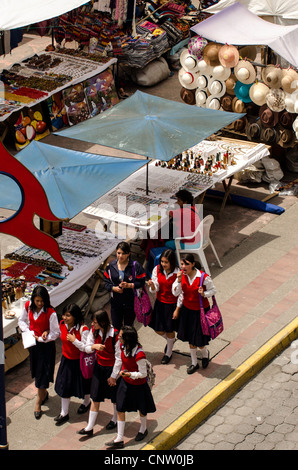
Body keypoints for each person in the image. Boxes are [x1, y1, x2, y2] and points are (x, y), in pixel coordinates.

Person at [105, 325, 156, 449]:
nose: (118, 338)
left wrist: (129, 374)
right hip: (125, 383)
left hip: (138, 386)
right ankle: (119, 438)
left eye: (121, 337)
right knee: (120, 407)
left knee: (141, 408)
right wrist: (115, 376)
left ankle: (143, 429)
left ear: (128, 339)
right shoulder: (122, 347)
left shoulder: (139, 354)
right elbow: (120, 361)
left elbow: (143, 374)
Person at [77, 310, 121, 437]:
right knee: (95, 397)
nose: (93, 324)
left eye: (95, 322)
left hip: (111, 369)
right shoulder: (94, 331)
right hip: (98, 367)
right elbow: (86, 347)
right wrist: (94, 347)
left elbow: (119, 358)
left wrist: (113, 376)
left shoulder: (115, 335)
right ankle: (89, 427)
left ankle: (115, 419)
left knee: (114, 398)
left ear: (102, 322)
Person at [18, 285, 59, 419]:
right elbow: (22, 321)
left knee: (42, 373)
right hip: (33, 345)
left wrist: (43, 337)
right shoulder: (28, 306)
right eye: (37, 301)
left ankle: (38, 402)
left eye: (42, 301)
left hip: (45, 347)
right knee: (37, 371)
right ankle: (44, 393)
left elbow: (55, 332)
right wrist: (29, 332)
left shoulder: (50, 313)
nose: (40, 304)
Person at [172, 253, 216, 374]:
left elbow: (213, 290)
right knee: (191, 340)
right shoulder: (181, 277)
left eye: (186, 264)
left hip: (200, 313)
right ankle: (194, 363)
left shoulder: (203, 277)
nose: (183, 266)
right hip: (187, 312)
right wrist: (178, 281)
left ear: (192, 264)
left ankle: (205, 354)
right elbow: (177, 294)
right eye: (182, 264)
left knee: (199, 341)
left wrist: (204, 294)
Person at [54, 303, 91, 425]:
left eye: (68, 315)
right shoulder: (62, 325)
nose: (65, 318)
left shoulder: (83, 329)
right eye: (64, 315)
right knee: (64, 385)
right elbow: (57, 334)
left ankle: (86, 402)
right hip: (66, 360)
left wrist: (75, 341)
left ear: (75, 317)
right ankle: (64, 413)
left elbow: (86, 348)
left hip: (79, 361)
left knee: (84, 384)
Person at [104, 241, 146, 330]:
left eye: (124, 253)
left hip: (131, 302)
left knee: (128, 327)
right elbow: (106, 283)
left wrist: (129, 285)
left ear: (129, 254)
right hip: (116, 303)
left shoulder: (136, 266)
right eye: (119, 253)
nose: (120, 256)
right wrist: (114, 288)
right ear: (116, 252)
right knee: (116, 327)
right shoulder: (111, 266)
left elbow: (141, 282)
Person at [147, 248, 179, 364]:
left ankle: (168, 353)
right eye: (162, 261)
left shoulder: (177, 273)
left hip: (172, 305)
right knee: (158, 329)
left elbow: (178, 292)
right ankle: (171, 341)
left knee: (170, 329)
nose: (163, 264)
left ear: (172, 262)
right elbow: (155, 288)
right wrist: (152, 285)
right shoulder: (157, 269)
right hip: (160, 303)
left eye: (166, 262)